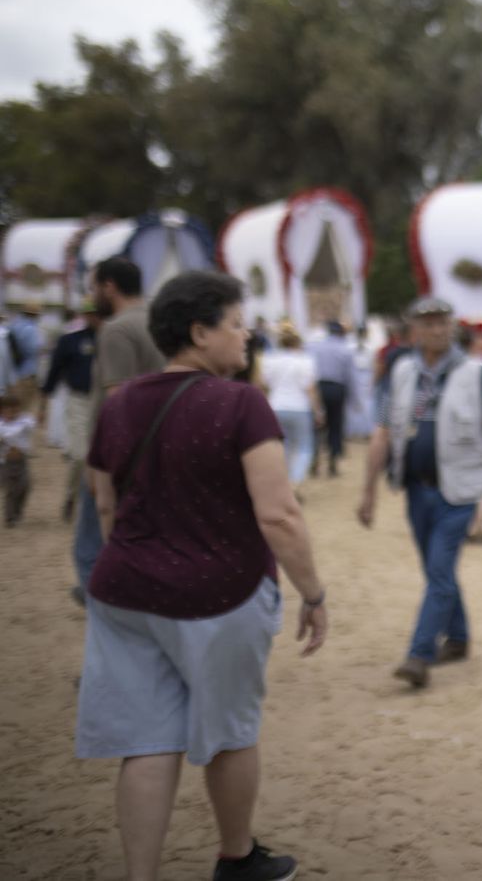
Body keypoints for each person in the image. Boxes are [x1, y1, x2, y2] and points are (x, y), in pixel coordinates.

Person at [75, 270, 328, 881]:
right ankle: (236, 857)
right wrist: (313, 593)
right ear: (199, 332)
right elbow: (279, 514)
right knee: (231, 731)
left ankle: (141, 874)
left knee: (146, 740)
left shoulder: (119, 405)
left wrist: (140, 562)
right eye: (237, 325)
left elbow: (104, 502)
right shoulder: (240, 404)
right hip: (219, 592)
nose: (247, 338)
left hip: (124, 595)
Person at [358, 296, 482, 689]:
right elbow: (383, 430)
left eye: (442, 322)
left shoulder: (477, 374)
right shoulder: (403, 370)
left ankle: (418, 654)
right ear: (414, 330)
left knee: (439, 571)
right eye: (427, 323)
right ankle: (458, 638)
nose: (437, 329)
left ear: (453, 327)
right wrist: (369, 490)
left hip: (457, 493)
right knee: (436, 570)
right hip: (415, 489)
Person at [74, 258, 165, 601]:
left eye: (94, 286)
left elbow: (117, 403)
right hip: (158, 448)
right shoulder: (159, 321)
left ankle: (104, 608)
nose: (92, 294)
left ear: (109, 286)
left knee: (89, 548)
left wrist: (101, 464)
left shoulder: (117, 329)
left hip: (118, 454)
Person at [38, 299, 99, 520]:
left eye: (97, 312)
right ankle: (72, 496)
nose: (94, 317)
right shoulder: (70, 341)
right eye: (90, 312)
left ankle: (97, 502)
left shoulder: (112, 339)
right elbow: (53, 373)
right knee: (80, 454)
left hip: (108, 402)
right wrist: (42, 406)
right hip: (79, 401)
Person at [257, 326, 321, 492]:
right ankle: (295, 481)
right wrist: (318, 410)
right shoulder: (305, 361)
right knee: (304, 447)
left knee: (283, 447)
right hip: (299, 407)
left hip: (276, 406)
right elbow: (310, 388)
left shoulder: (269, 360)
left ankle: (283, 481)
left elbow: (263, 384)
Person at [307, 321, 356, 478]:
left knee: (318, 425)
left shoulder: (315, 347)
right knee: (335, 426)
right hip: (337, 389)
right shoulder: (345, 349)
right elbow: (350, 376)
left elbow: (310, 370)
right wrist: (353, 397)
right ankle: (332, 464)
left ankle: (315, 460)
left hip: (320, 387)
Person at [1, 391, 34, 526]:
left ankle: (18, 510)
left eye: (16, 409)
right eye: (8, 409)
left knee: (25, 486)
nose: (12, 412)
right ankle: (10, 517)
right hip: (5, 462)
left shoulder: (24, 420)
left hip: (22, 461)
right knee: (11, 489)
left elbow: (31, 423)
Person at [8, 301, 44, 405]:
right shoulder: (31, 328)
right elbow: (34, 349)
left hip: (12, 375)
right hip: (27, 375)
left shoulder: (13, 325)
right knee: (27, 409)